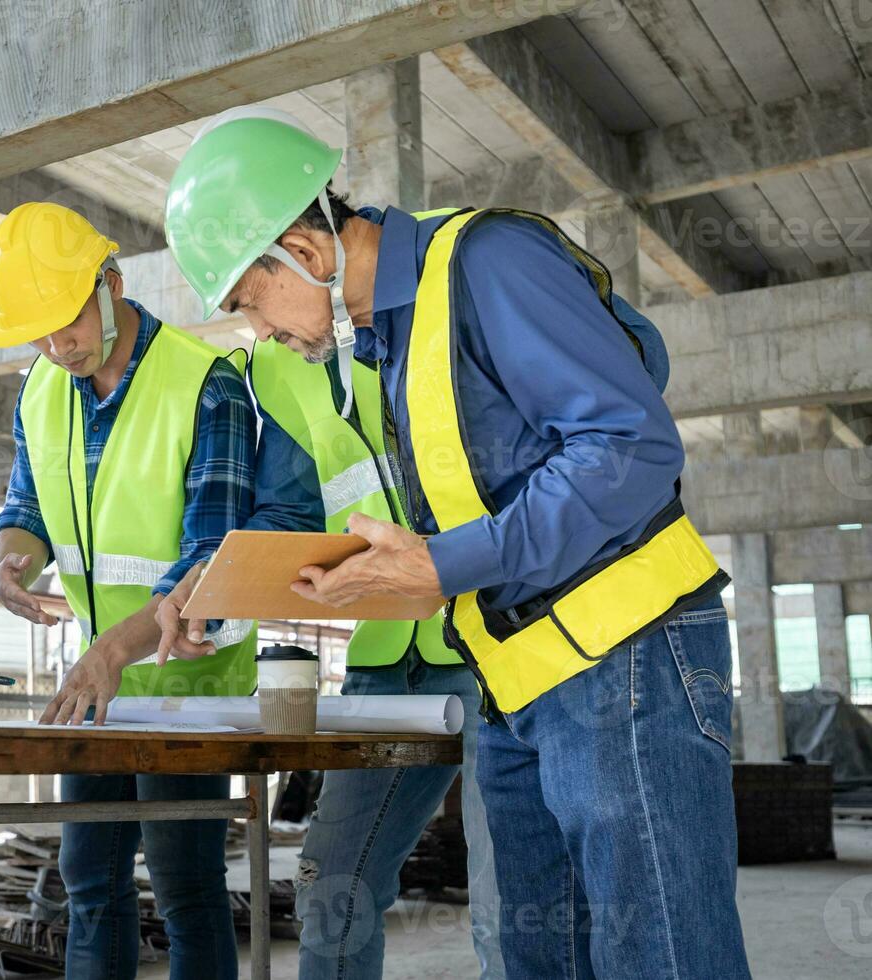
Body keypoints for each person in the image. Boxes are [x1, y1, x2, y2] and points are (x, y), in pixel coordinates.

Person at [159, 106, 750, 978]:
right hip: (515, 682)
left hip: (628, 663)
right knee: (535, 956)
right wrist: (392, 573)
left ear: (306, 251)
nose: (257, 330)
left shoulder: (487, 259)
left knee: (658, 955)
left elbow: (631, 446)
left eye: (248, 300)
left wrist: (444, 563)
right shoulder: (382, 349)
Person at [0, 202, 257, 980]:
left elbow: (213, 554)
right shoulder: (39, 390)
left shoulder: (207, 384)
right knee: (91, 884)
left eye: (65, 323)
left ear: (112, 282)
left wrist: (114, 650)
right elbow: (24, 511)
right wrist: (7, 562)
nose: (54, 346)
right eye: (35, 333)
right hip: (95, 684)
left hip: (187, 681)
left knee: (185, 885)